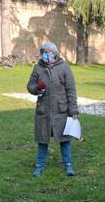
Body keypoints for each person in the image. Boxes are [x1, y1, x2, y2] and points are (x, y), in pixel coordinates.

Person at [26, 42, 79, 177]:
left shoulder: (64, 68)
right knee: (42, 139)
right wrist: (37, 88)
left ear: (55, 54)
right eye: (43, 51)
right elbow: (30, 86)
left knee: (64, 139)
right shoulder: (38, 68)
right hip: (43, 110)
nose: (45, 54)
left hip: (61, 110)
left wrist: (73, 110)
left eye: (48, 51)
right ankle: (39, 166)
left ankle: (68, 165)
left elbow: (71, 90)